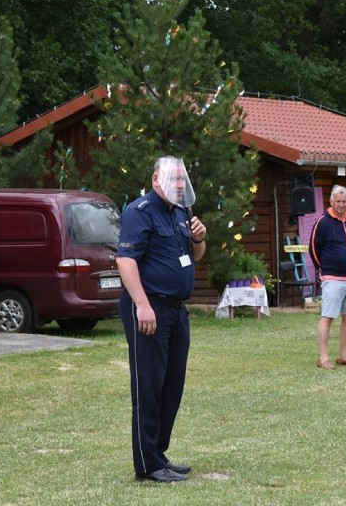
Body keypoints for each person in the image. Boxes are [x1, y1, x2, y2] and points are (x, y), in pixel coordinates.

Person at [116, 156, 207, 483]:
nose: (179, 185)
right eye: (173, 179)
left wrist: (199, 238)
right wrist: (141, 304)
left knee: (172, 386)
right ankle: (147, 464)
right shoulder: (139, 212)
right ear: (156, 179)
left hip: (176, 310)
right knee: (149, 387)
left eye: (183, 180)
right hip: (148, 308)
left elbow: (195, 255)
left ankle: (159, 454)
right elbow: (125, 260)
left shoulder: (181, 213)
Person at [308, 185, 346, 370]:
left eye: (344, 201)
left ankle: (343, 356)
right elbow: (313, 249)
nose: (341, 204)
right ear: (331, 202)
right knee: (328, 317)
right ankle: (323, 358)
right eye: (338, 201)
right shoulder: (322, 222)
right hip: (333, 278)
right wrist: (324, 270)